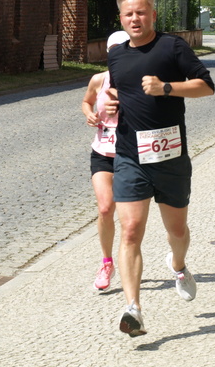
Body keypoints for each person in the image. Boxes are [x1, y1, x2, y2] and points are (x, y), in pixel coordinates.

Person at [106, 0, 215, 337]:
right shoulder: (117, 54)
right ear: (121, 19)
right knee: (131, 231)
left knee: (177, 231)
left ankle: (179, 265)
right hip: (129, 156)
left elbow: (206, 85)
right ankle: (133, 309)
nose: (135, 19)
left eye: (141, 12)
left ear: (153, 14)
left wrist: (167, 87)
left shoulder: (172, 46)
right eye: (128, 14)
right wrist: (108, 104)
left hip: (169, 156)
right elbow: (117, 91)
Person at [81, 30, 130, 291]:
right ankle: (106, 262)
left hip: (131, 154)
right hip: (102, 152)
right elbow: (86, 102)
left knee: (130, 218)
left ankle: (130, 257)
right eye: (113, 51)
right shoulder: (99, 80)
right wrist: (89, 114)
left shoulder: (138, 81)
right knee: (104, 209)